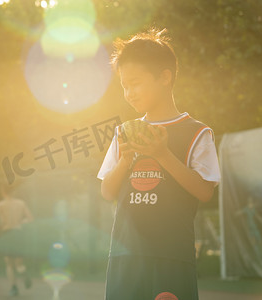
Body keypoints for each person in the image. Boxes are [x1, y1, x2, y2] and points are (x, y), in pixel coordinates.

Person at [97, 28, 221, 300]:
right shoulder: (124, 133)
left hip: (171, 255)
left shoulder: (197, 132)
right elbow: (107, 191)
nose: (129, 92)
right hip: (125, 254)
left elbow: (205, 191)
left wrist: (162, 154)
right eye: (124, 86)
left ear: (165, 77)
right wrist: (126, 161)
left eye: (136, 82)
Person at [0, 184, 34, 296]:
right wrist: (20, 223)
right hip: (18, 233)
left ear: (3, 192)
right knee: (19, 263)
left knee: (9, 264)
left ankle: (14, 288)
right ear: (13, 192)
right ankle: (23, 272)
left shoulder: (0, 205)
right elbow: (30, 219)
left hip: (7, 233)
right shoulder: (21, 203)